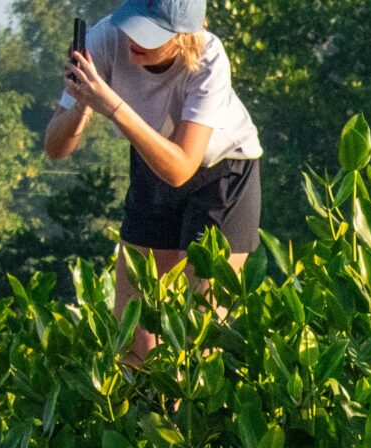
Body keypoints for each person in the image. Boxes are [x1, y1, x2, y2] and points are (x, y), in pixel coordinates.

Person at [43, 1, 263, 359]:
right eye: (132, 26)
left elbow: (180, 169)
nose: (134, 41)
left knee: (200, 331)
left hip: (222, 172)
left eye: (150, 35)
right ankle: (144, 410)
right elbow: (55, 148)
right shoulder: (105, 39)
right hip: (150, 161)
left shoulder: (209, 57)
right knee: (134, 331)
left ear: (184, 37)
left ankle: (193, 411)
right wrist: (83, 100)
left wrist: (111, 105)